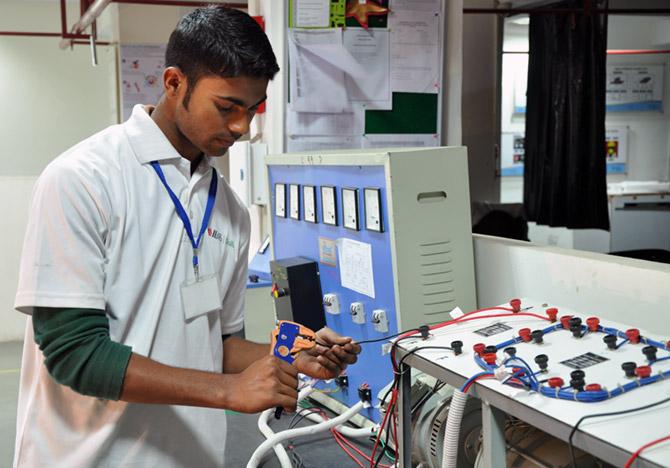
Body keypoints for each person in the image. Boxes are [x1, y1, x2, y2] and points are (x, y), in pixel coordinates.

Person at [13, 6, 360, 467]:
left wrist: (294, 357)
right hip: (86, 457)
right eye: (227, 107)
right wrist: (228, 391)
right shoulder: (83, 180)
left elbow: (217, 344)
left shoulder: (231, 211)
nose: (242, 127)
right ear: (175, 83)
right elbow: (76, 354)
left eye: (252, 109)